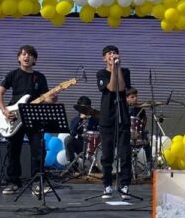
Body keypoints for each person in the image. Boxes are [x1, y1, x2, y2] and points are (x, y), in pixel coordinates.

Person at [0, 45, 57, 195]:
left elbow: (46, 99)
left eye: (29, 55)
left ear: (34, 59)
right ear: (18, 58)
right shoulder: (12, 75)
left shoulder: (39, 77)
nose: (26, 57)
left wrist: (52, 99)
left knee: (38, 148)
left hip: (33, 117)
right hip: (14, 117)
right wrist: (4, 111)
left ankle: (38, 182)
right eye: (23, 54)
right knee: (13, 150)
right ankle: (13, 182)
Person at [97, 45, 133, 199]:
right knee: (107, 154)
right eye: (109, 54)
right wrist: (112, 69)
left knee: (125, 153)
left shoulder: (125, 72)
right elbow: (112, 87)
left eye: (114, 53)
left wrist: (117, 68)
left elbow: (122, 87)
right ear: (104, 58)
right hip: (107, 117)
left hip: (122, 116)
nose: (112, 55)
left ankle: (125, 185)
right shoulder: (101, 73)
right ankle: (107, 185)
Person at [64, 96, 99, 168]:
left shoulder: (95, 119)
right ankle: (72, 164)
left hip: (92, 144)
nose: (84, 110)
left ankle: (97, 165)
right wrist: (80, 119)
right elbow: (72, 133)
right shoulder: (75, 120)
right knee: (68, 139)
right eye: (82, 108)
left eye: (86, 108)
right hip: (80, 144)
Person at [126, 88, 152, 172]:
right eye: (132, 97)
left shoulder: (141, 109)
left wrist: (142, 128)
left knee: (147, 142)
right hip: (126, 134)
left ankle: (149, 165)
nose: (135, 98)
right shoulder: (124, 108)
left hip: (138, 134)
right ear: (127, 98)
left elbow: (144, 121)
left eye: (136, 96)